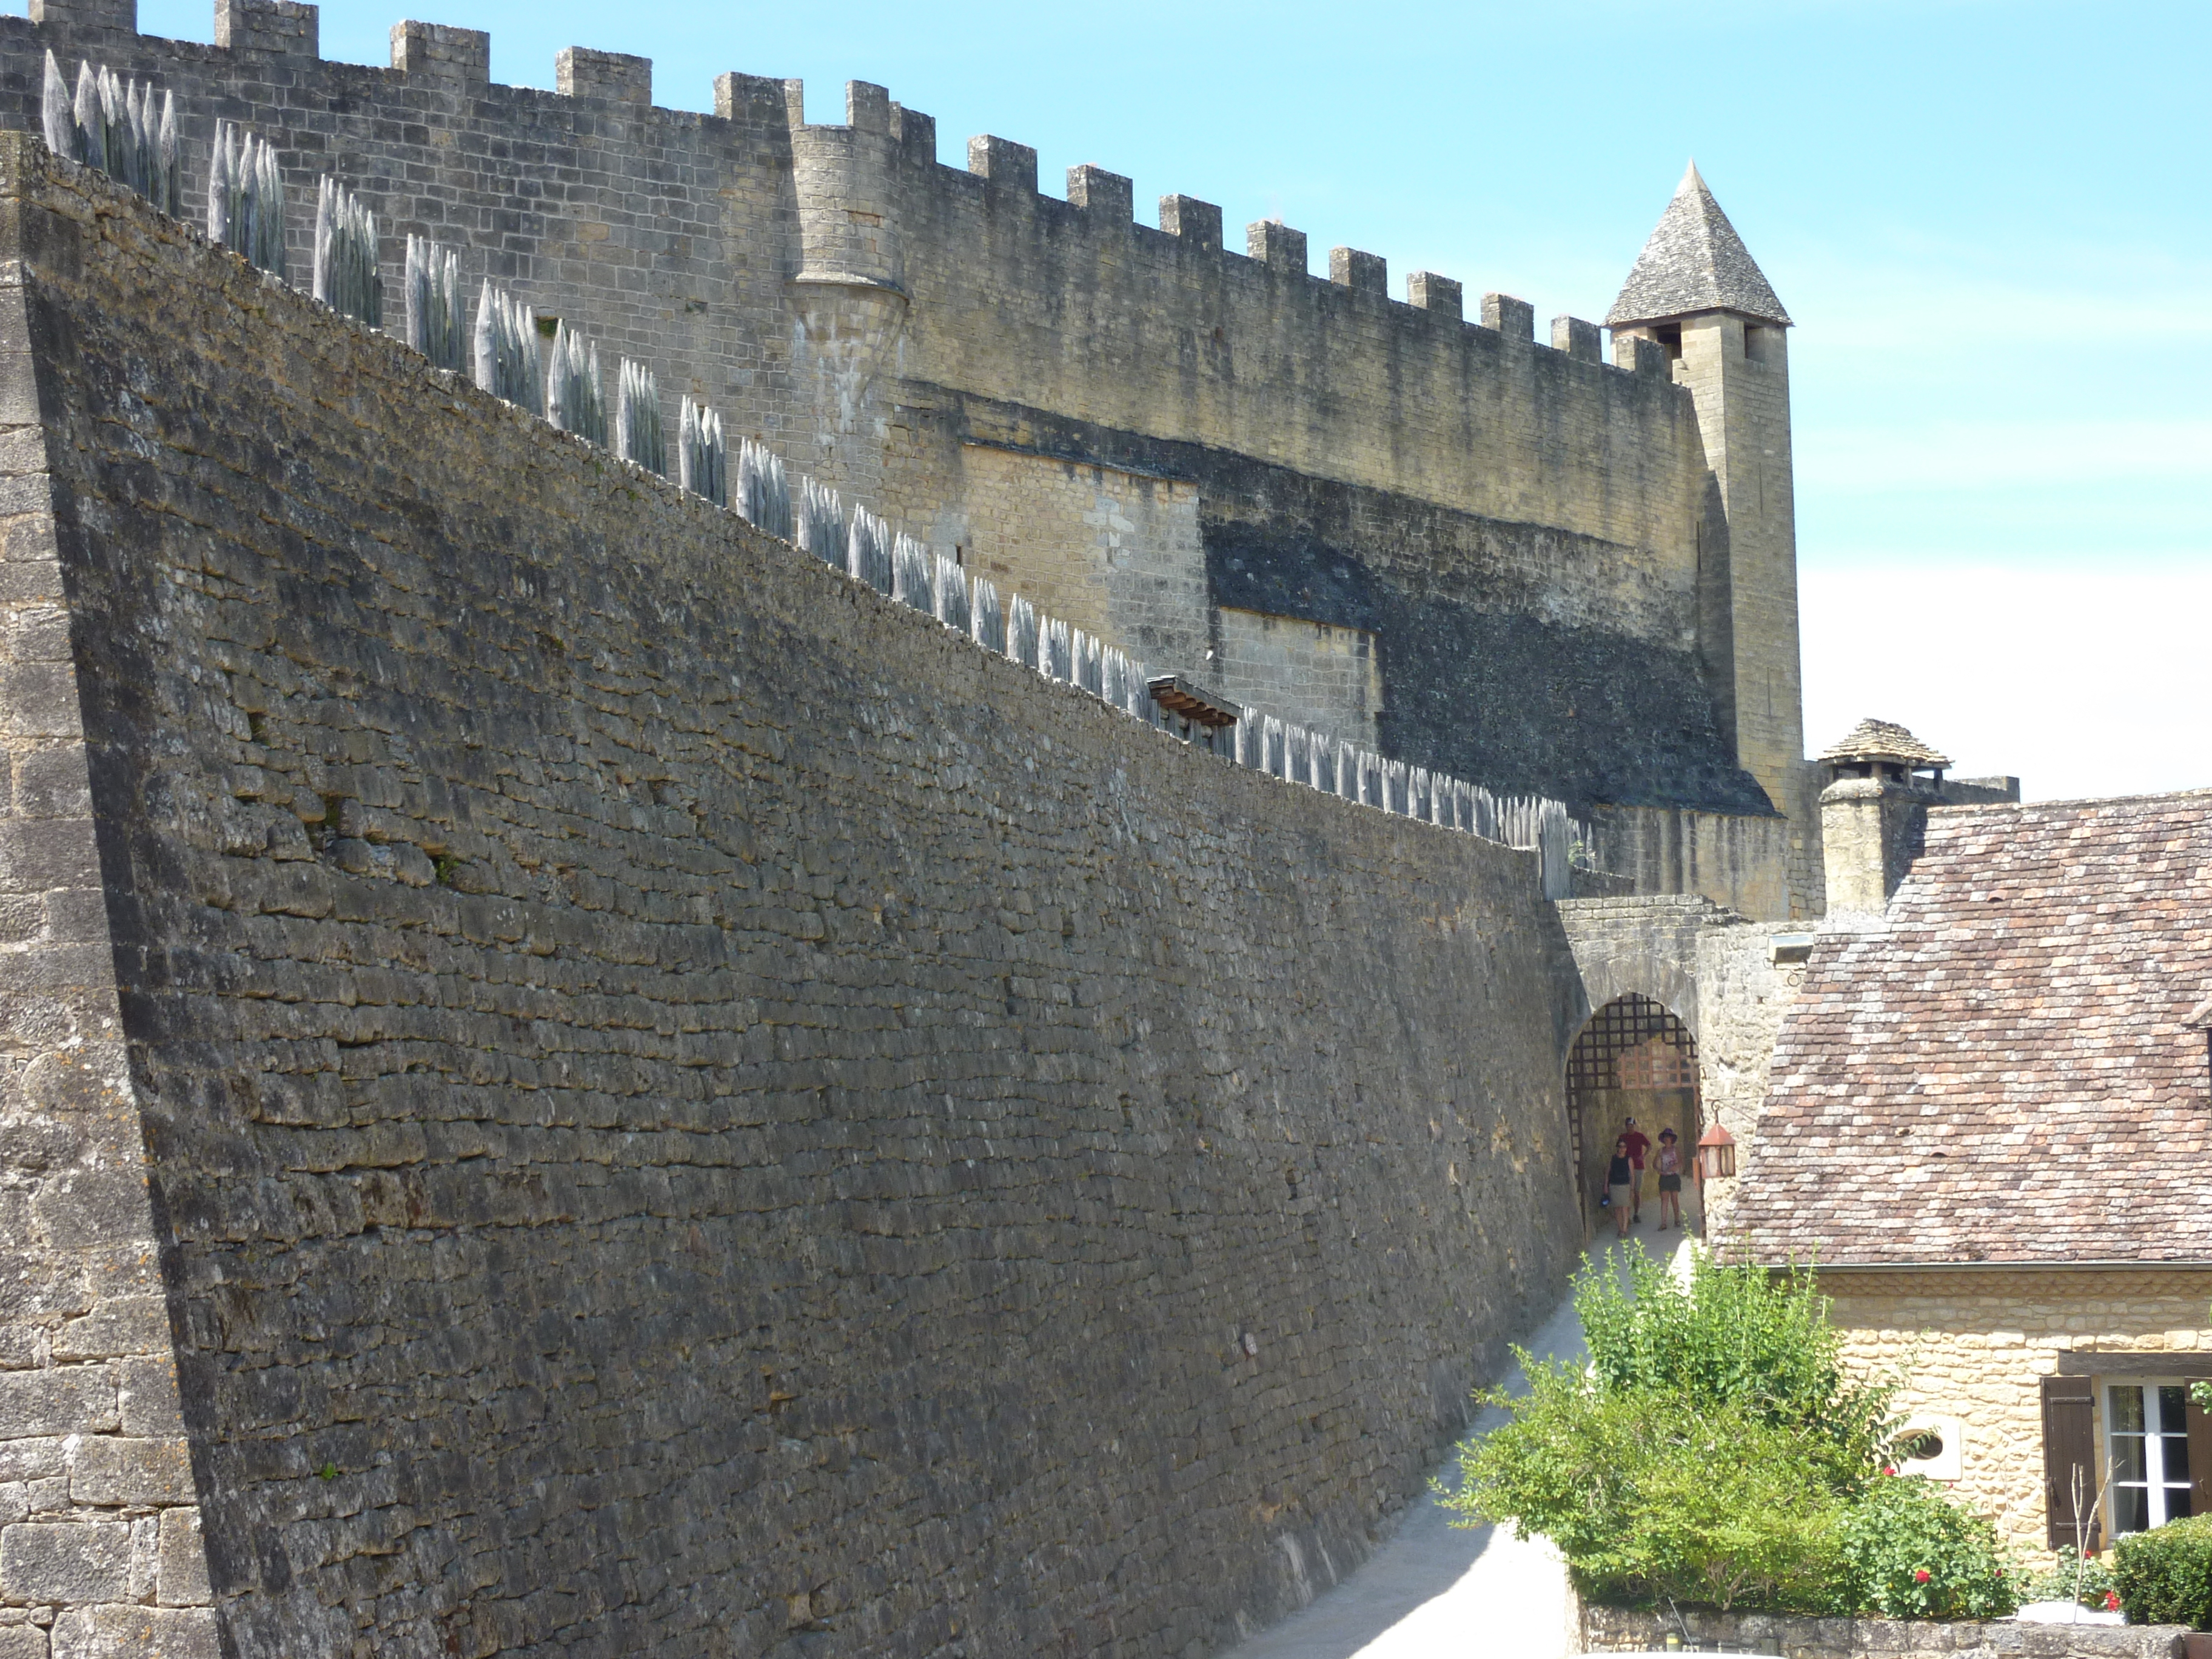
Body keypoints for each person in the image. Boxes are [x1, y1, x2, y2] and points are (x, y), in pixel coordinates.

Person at [1619, 1116, 1652, 1224]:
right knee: (1627, 1191)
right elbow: (1620, 1149)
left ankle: (1636, 1213)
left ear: (1634, 1126)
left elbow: (1649, 1146)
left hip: (1638, 1166)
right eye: (1628, 1125)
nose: (1630, 1127)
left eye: (1632, 1125)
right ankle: (1627, 1216)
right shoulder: (1623, 1137)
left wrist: (1644, 1156)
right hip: (1626, 1167)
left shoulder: (1640, 1136)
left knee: (1637, 1191)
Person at [1654, 1127, 1684, 1231]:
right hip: (1664, 1177)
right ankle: (1664, 1223)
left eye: (1669, 1137)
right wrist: (1658, 1170)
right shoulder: (1660, 1151)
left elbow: (1680, 1162)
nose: (1667, 1139)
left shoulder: (1676, 1150)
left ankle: (1677, 1219)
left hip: (1674, 1177)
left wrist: (1675, 1167)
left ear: (1672, 1139)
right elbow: (1654, 1164)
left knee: (1674, 1199)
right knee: (1664, 1200)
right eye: (1666, 1137)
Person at [1606, 1136, 1634, 1239]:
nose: (1622, 1149)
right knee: (1617, 1208)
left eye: (1624, 1147)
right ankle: (1620, 1228)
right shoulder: (1613, 1158)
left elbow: (1632, 1175)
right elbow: (1608, 1173)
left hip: (1625, 1186)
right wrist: (1606, 1185)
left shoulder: (1629, 1159)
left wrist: (1632, 1189)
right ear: (1618, 1147)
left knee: (1625, 1208)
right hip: (1614, 1185)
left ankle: (1625, 1230)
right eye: (1620, 1146)